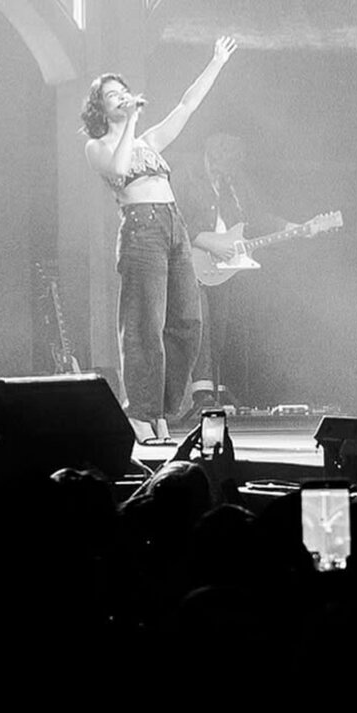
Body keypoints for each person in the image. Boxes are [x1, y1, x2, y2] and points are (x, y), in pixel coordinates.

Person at [82, 38, 238, 443]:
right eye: (112, 95)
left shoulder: (149, 142)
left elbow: (186, 106)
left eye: (123, 91)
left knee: (187, 321)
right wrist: (130, 123)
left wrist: (216, 63)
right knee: (144, 326)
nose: (122, 97)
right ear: (100, 108)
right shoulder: (97, 146)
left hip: (174, 226)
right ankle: (141, 412)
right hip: (142, 230)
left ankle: (161, 409)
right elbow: (119, 171)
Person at [174, 132, 296, 421]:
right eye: (220, 168)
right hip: (191, 262)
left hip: (223, 268)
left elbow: (255, 217)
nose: (224, 175)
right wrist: (206, 241)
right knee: (200, 324)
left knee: (218, 329)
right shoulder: (185, 175)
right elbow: (174, 218)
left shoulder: (235, 183)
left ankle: (211, 393)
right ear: (210, 157)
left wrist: (291, 227)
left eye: (229, 169)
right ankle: (200, 394)